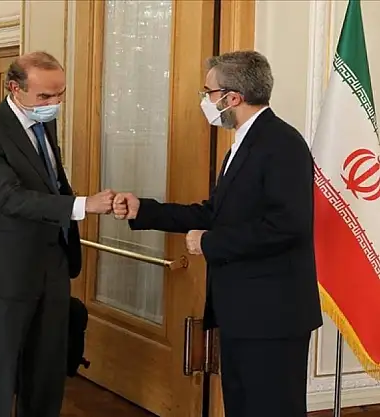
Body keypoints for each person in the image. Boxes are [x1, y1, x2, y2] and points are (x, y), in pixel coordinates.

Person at [112, 50, 322, 417]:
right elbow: (215, 212)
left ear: (232, 97)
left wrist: (209, 243)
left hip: (272, 314)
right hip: (243, 309)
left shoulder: (282, 143)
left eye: (208, 92)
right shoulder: (242, 144)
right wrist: (143, 209)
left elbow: (288, 226)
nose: (205, 101)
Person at [0, 51, 114, 417]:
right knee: (0, 368)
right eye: (44, 96)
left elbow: (52, 183)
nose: (53, 104)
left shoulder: (46, 124)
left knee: (47, 366)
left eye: (60, 94)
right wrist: (82, 205)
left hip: (53, 261)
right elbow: (9, 198)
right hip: (9, 266)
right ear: (14, 88)